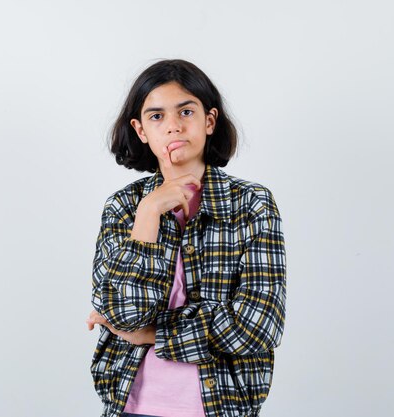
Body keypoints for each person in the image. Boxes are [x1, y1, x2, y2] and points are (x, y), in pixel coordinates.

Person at [85, 59, 287, 417]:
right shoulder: (124, 207)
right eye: (157, 116)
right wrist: (149, 213)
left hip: (221, 406)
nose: (174, 126)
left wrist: (153, 334)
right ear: (141, 130)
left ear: (209, 121)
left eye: (186, 111)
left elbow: (259, 326)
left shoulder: (251, 204)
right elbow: (127, 315)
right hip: (131, 405)